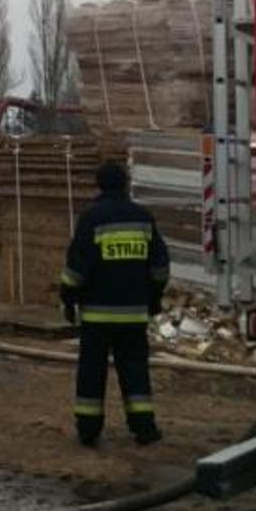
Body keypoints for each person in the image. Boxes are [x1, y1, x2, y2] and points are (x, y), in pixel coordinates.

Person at [59, 161, 171, 447]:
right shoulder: (142, 218)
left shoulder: (91, 219)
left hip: (97, 316)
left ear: (99, 185)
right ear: (125, 183)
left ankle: (88, 429)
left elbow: (77, 267)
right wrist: (154, 297)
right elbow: (159, 265)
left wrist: (68, 298)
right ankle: (144, 428)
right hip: (134, 314)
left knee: (91, 374)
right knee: (135, 371)